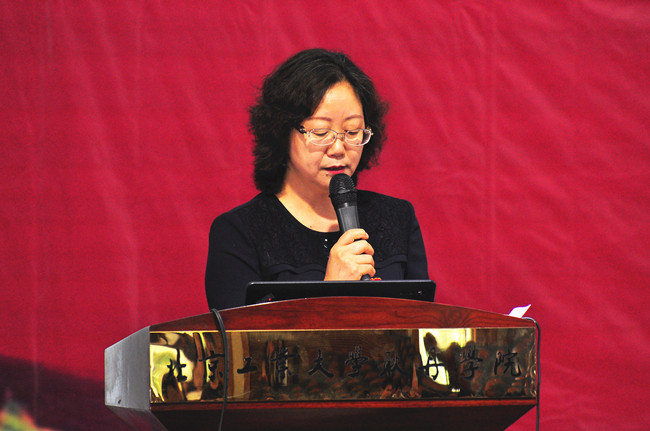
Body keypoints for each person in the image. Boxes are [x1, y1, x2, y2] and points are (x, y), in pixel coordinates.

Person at [205, 48, 428, 310]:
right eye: (321, 132)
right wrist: (330, 290)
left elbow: (423, 325)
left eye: (352, 131)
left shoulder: (397, 218)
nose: (338, 148)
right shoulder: (240, 232)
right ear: (281, 131)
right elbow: (237, 335)